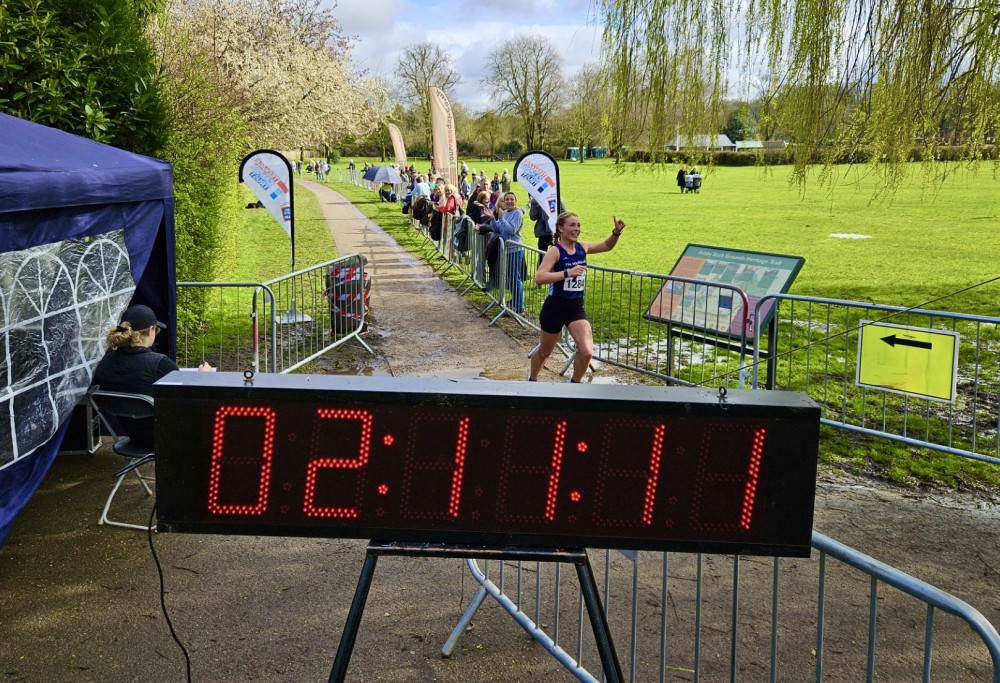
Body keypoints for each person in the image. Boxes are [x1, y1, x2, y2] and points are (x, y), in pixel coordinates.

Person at [91, 305, 211, 447]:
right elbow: (187, 399)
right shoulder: (160, 364)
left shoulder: (105, 362)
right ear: (150, 330)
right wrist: (204, 377)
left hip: (133, 437)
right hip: (168, 439)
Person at [529, 212, 626, 383]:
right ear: (560, 228)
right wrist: (567, 273)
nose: (577, 229)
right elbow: (540, 277)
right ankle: (532, 380)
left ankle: (573, 384)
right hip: (555, 308)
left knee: (587, 351)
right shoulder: (555, 251)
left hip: (575, 309)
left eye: (579, 225)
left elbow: (606, 246)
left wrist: (616, 233)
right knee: (545, 352)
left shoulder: (582, 247)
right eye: (572, 225)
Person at [478, 191, 525, 313]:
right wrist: (492, 218)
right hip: (506, 250)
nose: (509, 201)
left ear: (516, 201)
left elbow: (512, 230)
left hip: (515, 250)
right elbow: (497, 229)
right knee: (511, 278)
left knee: (515, 278)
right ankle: (515, 301)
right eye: (507, 199)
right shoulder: (505, 213)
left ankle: (519, 306)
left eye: (511, 199)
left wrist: (501, 219)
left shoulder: (517, 213)